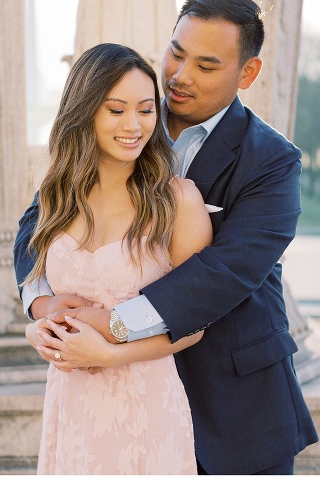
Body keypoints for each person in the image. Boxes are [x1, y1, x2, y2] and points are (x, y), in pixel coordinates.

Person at [15, 0, 319, 474]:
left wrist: (109, 327)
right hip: (108, 403)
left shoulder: (274, 164)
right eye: (176, 53)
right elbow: (41, 217)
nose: (180, 76)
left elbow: (224, 273)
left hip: (233, 399)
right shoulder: (126, 114)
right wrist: (42, 301)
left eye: (206, 64)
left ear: (247, 73)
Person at [19, 42, 213, 474]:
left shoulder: (177, 201)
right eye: (116, 109)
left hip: (145, 407)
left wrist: (108, 355)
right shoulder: (56, 198)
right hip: (70, 405)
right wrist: (39, 329)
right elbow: (49, 294)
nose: (134, 125)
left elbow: (195, 326)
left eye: (146, 110)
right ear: (85, 111)